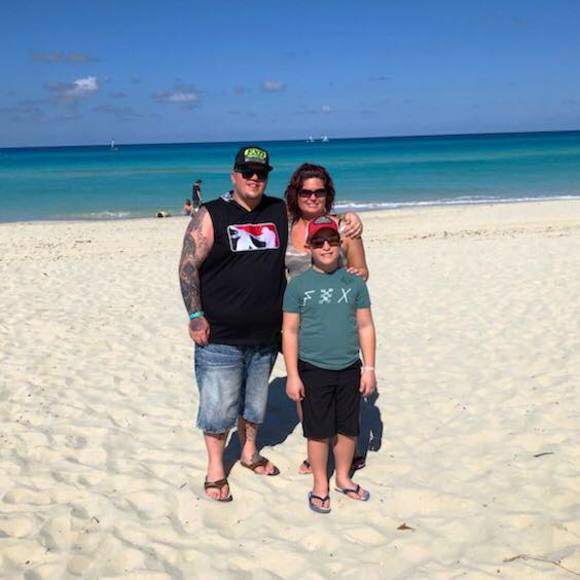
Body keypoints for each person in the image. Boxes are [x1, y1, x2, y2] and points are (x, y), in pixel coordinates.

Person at [179, 145, 287, 502]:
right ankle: (215, 468)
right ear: (234, 175)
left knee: (254, 402)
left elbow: (316, 219)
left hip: (266, 333)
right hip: (220, 334)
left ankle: (249, 452)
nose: (255, 178)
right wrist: (195, 315)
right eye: (248, 172)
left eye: (261, 173)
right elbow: (188, 266)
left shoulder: (278, 210)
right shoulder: (212, 213)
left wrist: (352, 218)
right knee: (218, 405)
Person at [282, 216, 376, 514]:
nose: (326, 247)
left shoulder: (354, 282)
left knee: (348, 428)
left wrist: (369, 369)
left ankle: (343, 478)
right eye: (319, 242)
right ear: (308, 246)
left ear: (340, 244)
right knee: (318, 431)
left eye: (332, 241)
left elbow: (365, 326)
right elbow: (290, 332)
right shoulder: (298, 286)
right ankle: (320, 483)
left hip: (349, 367)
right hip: (312, 368)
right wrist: (292, 375)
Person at [284, 163, 369, 474]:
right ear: (295, 194)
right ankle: (316, 449)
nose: (312, 197)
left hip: (337, 323)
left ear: (327, 195)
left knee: (343, 390)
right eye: (305, 191)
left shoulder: (344, 229)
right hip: (298, 323)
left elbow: (362, 272)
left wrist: (352, 218)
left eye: (319, 192)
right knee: (304, 394)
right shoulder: (285, 226)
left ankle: (347, 450)